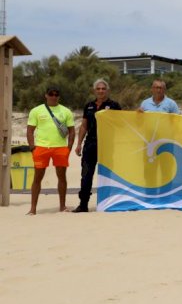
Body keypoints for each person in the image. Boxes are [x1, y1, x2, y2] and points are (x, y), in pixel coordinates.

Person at [73, 79, 122, 213]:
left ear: (107, 90)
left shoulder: (114, 105)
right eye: (98, 89)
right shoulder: (88, 106)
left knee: (108, 175)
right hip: (90, 144)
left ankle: (109, 203)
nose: (101, 91)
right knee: (86, 175)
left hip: (108, 145)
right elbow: (84, 126)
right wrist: (78, 144)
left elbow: (122, 124)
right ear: (94, 91)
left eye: (103, 89)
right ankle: (83, 204)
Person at [26, 86, 76, 215]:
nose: (54, 97)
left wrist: (68, 148)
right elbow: (30, 130)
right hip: (41, 148)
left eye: (56, 94)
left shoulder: (66, 111)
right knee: (37, 178)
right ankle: (33, 209)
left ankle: (62, 206)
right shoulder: (36, 111)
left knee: (61, 177)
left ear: (59, 96)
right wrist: (32, 147)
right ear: (46, 95)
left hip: (60, 148)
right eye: (51, 94)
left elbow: (72, 131)